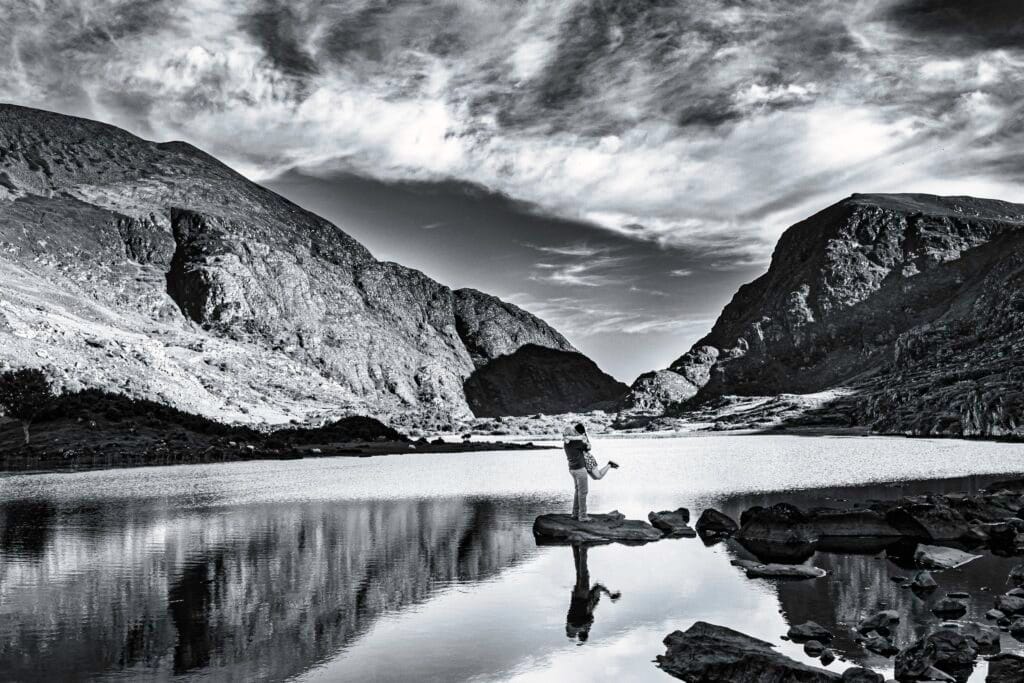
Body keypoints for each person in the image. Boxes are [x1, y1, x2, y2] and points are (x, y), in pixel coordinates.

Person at [562, 423, 618, 522]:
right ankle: (582, 516)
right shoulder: (577, 443)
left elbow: (582, 444)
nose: (575, 433)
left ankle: (575, 514)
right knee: (583, 492)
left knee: (577, 491)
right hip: (580, 470)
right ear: (572, 433)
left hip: (572, 469)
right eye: (573, 432)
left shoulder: (566, 443)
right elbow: (588, 447)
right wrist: (583, 439)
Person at [565, 544, 620, 642]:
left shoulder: (582, 623)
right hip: (575, 596)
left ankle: (583, 548)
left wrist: (609, 594)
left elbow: (590, 617)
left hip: (583, 596)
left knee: (583, 572)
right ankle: (575, 547)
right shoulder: (571, 625)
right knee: (579, 572)